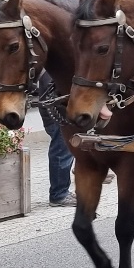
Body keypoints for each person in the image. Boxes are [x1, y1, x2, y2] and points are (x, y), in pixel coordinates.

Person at [38, 70, 77, 207]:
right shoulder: (53, 72)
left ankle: (61, 191)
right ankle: (59, 194)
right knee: (62, 151)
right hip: (58, 116)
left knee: (64, 150)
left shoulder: (51, 70)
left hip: (56, 115)